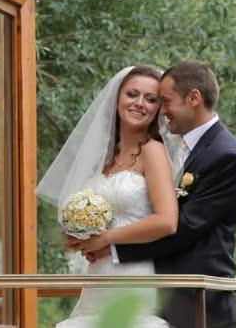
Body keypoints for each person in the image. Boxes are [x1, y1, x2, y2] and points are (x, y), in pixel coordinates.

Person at [81, 60, 236, 328]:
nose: (161, 110)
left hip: (199, 301)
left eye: (164, 100)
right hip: (161, 292)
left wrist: (109, 246)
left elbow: (184, 226)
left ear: (193, 98)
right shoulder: (182, 147)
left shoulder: (225, 155)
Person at [37, 65, 179, 328]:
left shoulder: (153, 151)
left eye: (150, 99)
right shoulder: (105, 158)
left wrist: (104, 240)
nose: (139, 103)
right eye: (132, 94)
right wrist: (80, 237)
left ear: (159, 108)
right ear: (117, 99)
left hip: (132, 274)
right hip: (97, 276)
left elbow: (167, 221)